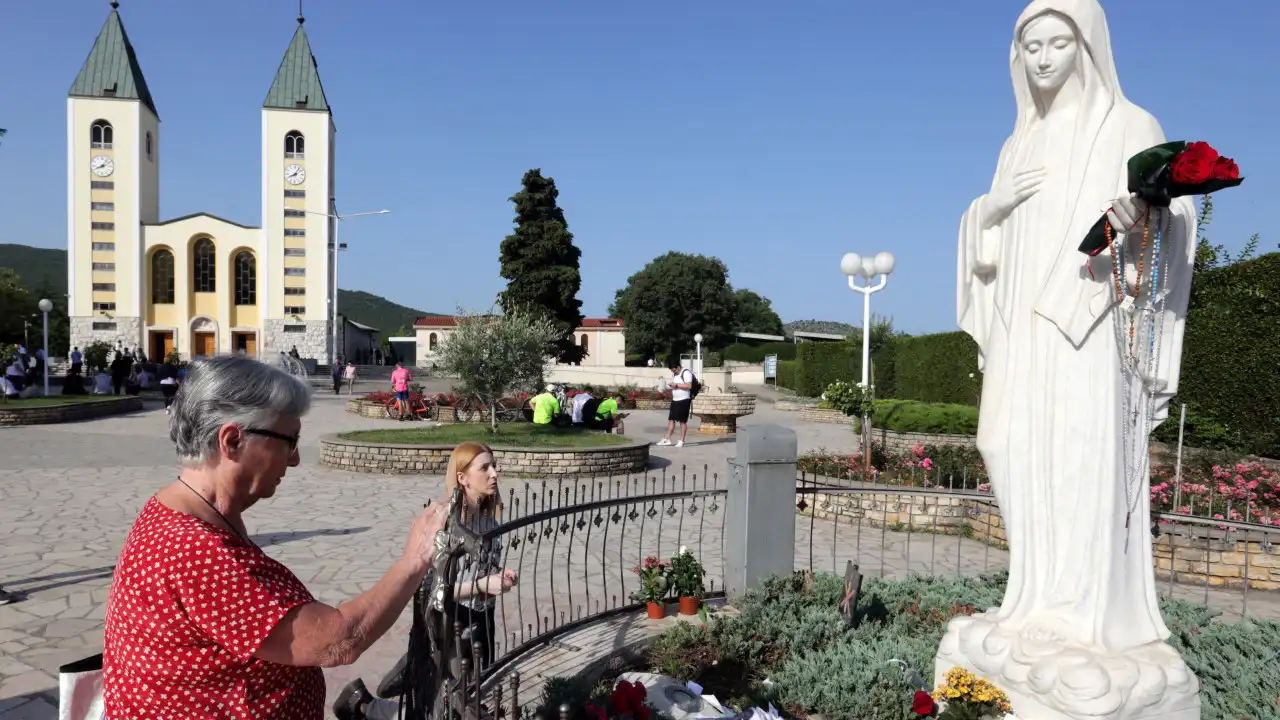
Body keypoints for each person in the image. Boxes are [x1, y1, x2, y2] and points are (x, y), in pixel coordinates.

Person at [940, 0, 1200, 709]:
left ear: (1086, 47)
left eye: (1058, 42)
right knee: (1001, 441)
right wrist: (987, 213)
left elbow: (1173, 218)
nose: (1044, 57)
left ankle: (1082, 618)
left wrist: (1142, 218)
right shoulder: (1016, 142)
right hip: (1024, 323)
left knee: (1080, 458)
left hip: (1091, 326)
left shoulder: (1129, 125)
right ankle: (1032, 599)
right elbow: (988, 232)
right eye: (1031, 46)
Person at [101, 355, 449, 719]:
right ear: (232, 440)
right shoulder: (193, 549)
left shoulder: (187, 509)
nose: (296, 459)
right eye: (289, 440)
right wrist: (416, 556)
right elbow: (338, 641)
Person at [333, 442, 518, 720]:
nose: (495, 473)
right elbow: (433, 589)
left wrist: (499, 575)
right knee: (447, 707)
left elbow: (481, 569)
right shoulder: (444, 523)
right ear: (462, 477)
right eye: (485, 468)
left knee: (461, 700)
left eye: (494, 465)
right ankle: (366, 707)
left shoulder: (490, 520)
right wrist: (482, 585)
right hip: (448, 624)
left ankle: (363, 703)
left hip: (481, 621)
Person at [658, 362, 694, 447]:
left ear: (678, 367)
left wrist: (676, 385)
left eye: (673, 369)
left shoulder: (686, 373)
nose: (672, 371)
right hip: (675, 400)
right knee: (671, 419)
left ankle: (682, 440)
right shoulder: (675, 375)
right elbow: (677, 386)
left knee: (682, 421)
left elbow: (689, 386)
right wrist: (672, 386)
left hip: (684, 400)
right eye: (671, 370)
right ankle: (667, 439)